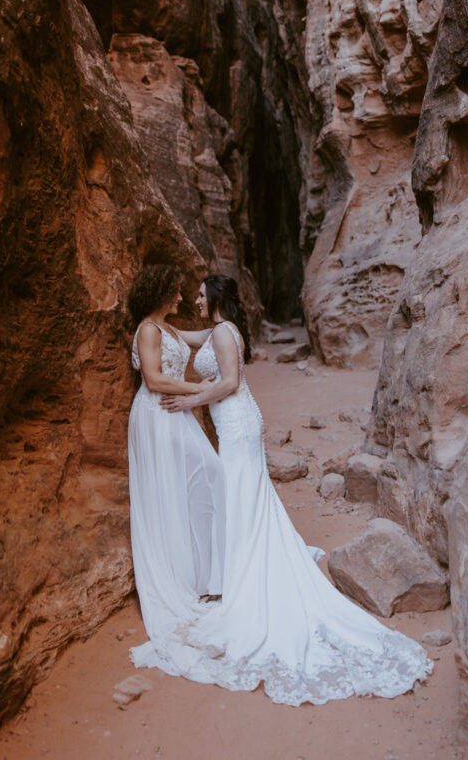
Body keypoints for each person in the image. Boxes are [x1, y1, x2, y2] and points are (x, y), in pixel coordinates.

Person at [129, 274, 432, 705]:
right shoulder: (215, 330)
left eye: (200, 293)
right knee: (238, 494)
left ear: (214, 298)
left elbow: (230, 383)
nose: (193, 298)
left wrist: (192, 399)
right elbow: (181, 336)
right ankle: (236, 568)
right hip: (229, 421)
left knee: (238, 491)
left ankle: (246, 573)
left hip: (236, 422)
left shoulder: (226, 334)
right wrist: (161, 330)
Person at [126, 265, 226, 660]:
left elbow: (205, 336)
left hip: (177, 411)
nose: (182, 298)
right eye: (175, 292)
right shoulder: (148, 330)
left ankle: (206, 576)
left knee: (203, 477)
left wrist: (226, 322)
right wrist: (200, 388)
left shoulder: (168, 329)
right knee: (175, 486)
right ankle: (183, 580)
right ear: (158, 291)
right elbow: (152, 379)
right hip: (157, 412)